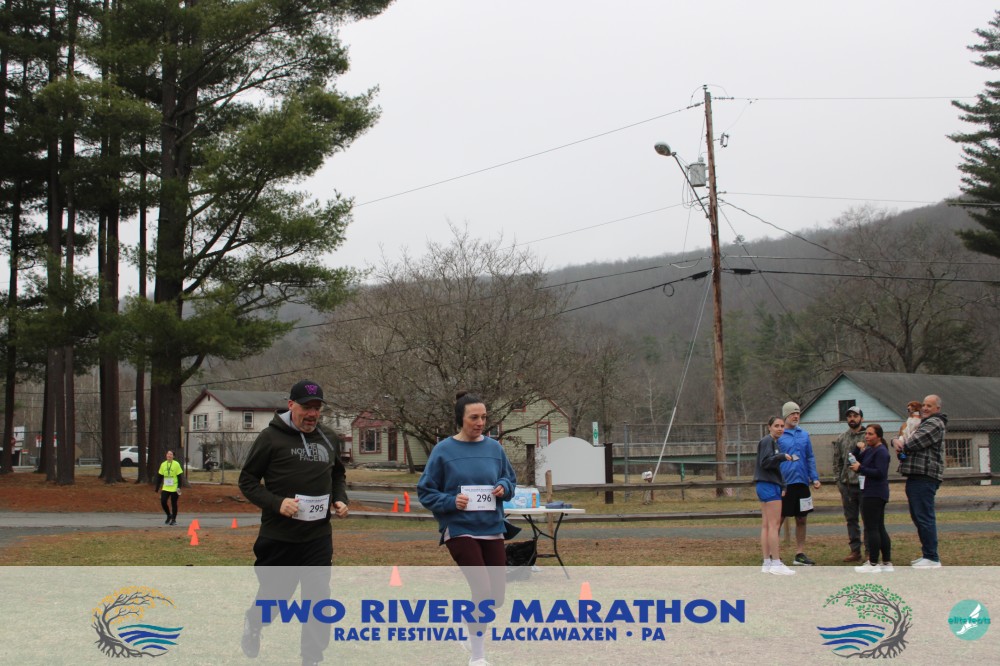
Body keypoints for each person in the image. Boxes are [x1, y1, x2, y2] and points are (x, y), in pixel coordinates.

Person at [238, 379, 349, 666]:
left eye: (317, 408)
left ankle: (311, 659)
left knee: (318, 598)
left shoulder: (329, 437)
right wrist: (277, 503)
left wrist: (339, 498)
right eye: (306, 407)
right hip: (280, 537)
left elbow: (337, 474)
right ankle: (255, 622)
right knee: (276, 598)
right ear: (291, 405)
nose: (312, 414)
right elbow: (247, 481)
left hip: (317, 537)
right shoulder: (270, 438)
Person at [417, 392, 517, 666]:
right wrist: (451, 501)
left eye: (483, 417)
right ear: (460, 419)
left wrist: (503, 487)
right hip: (460, 528)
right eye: (474, 417)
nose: (480, 422)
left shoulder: (495, 449)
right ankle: (477, 656)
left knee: (496, 597)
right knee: (482, 591)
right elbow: (425, 491)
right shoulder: (443, 451)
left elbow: (510, 480)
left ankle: (466, 623)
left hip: (492, 526)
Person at [892, 394, 947, 568]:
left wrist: (900, 444)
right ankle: (927, 554)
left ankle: (932, 557)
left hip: (925, 476)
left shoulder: (935, 423)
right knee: (918, 516)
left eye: (929, 406)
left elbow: (914, 442)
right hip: (915, 475)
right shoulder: (921, 422)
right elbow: (903, 434)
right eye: (923, 405)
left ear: (937, 408)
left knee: (924, 517)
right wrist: (894, 440)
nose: (925, 408)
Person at [777, 401, 821, 566]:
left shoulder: (804, 435)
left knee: (801, 518)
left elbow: (809, 457)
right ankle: (774, 554)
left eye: (798, 413)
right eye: (792, 414)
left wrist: (814, 477)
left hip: (802, 482)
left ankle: (799, 554)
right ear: (786, 416)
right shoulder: (779, 435)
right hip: (785, 484)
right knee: (779, 519)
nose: (796, 416)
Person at [753, 416, 795, 575]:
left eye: (782, 426)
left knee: (766, 525)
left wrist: (782, 483)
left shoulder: (773, 443)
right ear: (769, 427)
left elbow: (772, 466)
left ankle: (767, 562)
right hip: (768, 485)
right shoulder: (768, 441)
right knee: (773, 525)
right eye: (776, 425)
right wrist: (781, 456)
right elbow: (765, 462)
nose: (780, 428)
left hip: (767, 484)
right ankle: (776, 563)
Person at [850, 424, 892, 573]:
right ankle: (886, 562)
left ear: (878, 436)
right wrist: (857, 448)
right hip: (869, 491)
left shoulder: (881, 451)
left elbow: (880, 472)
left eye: (870, 434)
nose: (867, 436)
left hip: (875, 493)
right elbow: (854, 459)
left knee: (872, 528)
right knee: (879, 527)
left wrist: (861, 469)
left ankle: (873, 563)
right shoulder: (869, 450)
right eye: (866, 434)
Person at [832, 405, 866, 562]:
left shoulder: (868, 436)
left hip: (864, 485)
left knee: (868, 519)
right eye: (849, 416)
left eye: (855, 416)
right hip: (847, 486)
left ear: (861, 418)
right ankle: (855, 550)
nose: (852, 419)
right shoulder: (841, 438)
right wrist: (839, 482)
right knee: (851, 519)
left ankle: (870, 551)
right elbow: (837, 462)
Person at [155, 450, 183, 526]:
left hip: (174, 487)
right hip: (166, 487)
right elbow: (160, 476)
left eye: (171, 454)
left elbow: (179, 477)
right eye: (168, 454)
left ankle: (174, 519)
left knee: (174, 503)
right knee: (163, 501)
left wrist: (179, 487)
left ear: (173, 456)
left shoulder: (176, 464)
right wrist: (157, 487)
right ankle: (168, 515)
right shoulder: (163, 464)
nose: (169, 455)